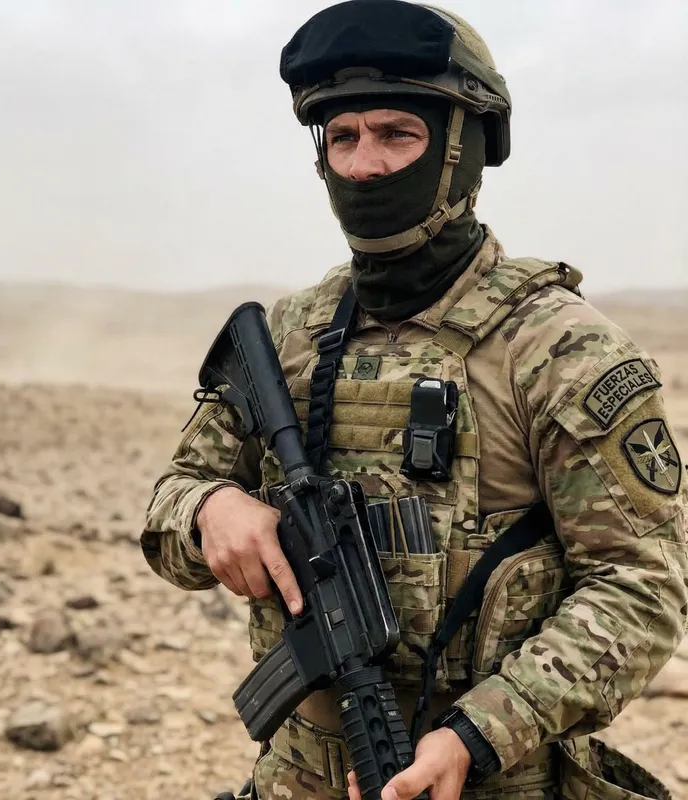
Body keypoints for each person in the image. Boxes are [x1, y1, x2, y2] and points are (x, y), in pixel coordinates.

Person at [141, 2, 688, 799]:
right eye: (343, 137)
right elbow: (169, 505)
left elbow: (643, 584)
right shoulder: (289, 334)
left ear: (463, 150)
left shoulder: (559, 349)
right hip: (299, 776)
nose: (364, 166)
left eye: (398, 133)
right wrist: (209, 511)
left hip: (483, 778)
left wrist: (479, 732)